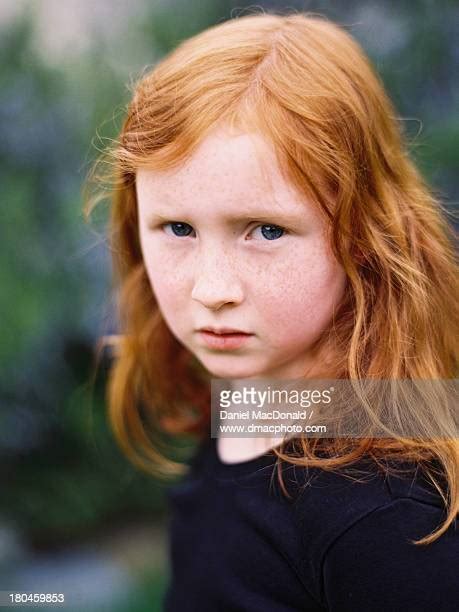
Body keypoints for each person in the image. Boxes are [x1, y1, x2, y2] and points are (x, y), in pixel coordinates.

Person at [85, 12, 459, 611]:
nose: (212, 289)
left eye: (265, 229)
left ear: (365, 235)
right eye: (177, 227)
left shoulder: (388, 515)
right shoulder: (249, 405)